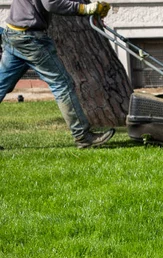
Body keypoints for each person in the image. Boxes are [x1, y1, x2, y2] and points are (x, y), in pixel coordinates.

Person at [0, 0, 114, 149]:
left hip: (13, 33)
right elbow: (51, 3)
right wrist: (86, 9)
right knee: (62, 84)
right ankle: (83, 136)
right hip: (30, 39)